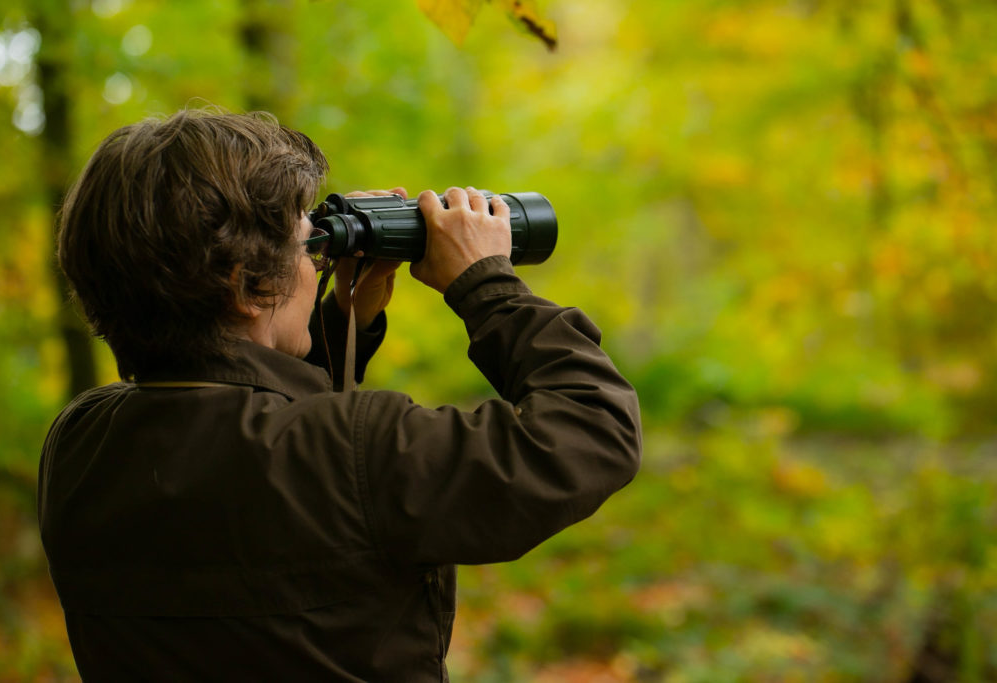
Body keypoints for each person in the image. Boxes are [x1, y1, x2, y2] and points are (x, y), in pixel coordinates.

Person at [38, 108, 642, 682]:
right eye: (310, 247)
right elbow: (594, 429)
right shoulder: (360, 451)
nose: (316, 262)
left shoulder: (78, 446)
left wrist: (341, 316)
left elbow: (255, 461)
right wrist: (486, 284)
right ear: (248, 287)